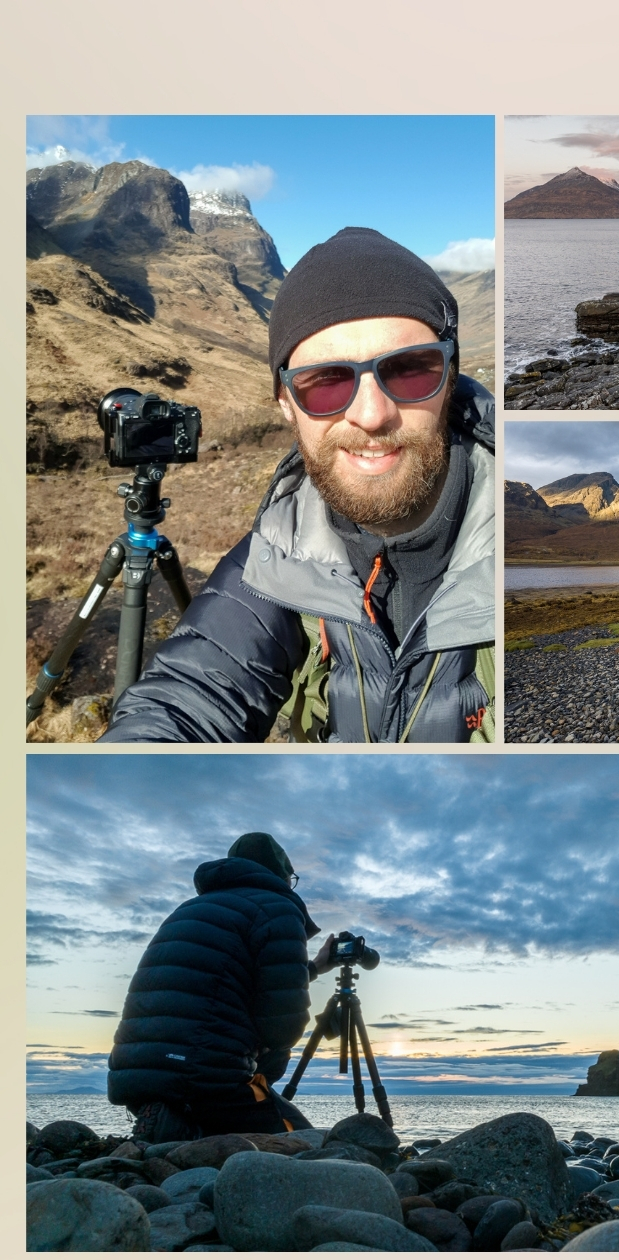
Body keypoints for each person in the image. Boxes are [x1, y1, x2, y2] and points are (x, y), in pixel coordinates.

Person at [99, 227, 495, 744]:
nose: (372, 415)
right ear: (286, 402)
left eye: (410, 371)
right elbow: (192, 692)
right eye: (326, 381)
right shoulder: (277, 552)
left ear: (451, 376)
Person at [107, 833, 338, 1141]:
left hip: (134, 1077)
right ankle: (182, 1127)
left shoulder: (187, 910)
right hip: (206, 1080)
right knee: (304, 1142)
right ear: (283, 876)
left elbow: (224, 985)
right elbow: (283, 1028)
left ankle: (175, 1124)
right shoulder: (278, 909)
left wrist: (317, 967)